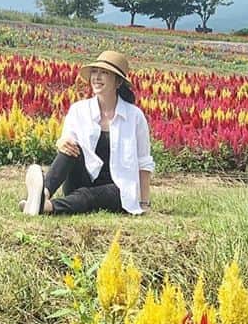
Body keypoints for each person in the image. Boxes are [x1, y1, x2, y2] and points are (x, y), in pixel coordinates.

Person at [22, 50, 154, 216]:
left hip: (118, 188)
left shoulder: (135, 116)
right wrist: (61, 142)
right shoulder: (79, 110)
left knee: (88, 196)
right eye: (95, 72)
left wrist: (144, 203)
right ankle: (43, 194)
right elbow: (66, 142)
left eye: (104, 73)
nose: (97, 77)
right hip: (82, 179)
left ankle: (44, 206)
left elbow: (144, 163)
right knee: (70, 148)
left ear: (118, 82)